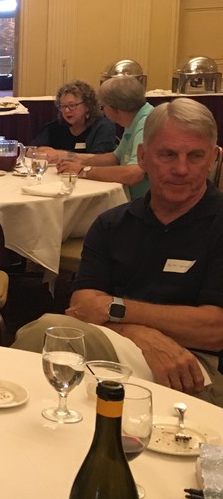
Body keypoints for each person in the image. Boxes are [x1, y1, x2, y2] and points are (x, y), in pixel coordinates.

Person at [13, 99, 223, 406]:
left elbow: (215, 329)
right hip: (121, 347)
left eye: (195, 156)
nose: (181, 169)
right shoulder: (113, 223)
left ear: (213, 159)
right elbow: (82, 304)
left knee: (45, 336)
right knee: (50, 336)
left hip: (197, 366)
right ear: (143, 157)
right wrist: (138, 333)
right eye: (167, 154)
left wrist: (116, 309)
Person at [56, 75, 152, 200]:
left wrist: (83, 171)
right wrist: (80, 163)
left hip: (146, 204)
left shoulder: (147, 123)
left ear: (113, 108)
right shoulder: (135, 120)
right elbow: (115, 157)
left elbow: (134, 174)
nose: (102, 111)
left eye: (102, 106)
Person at [30, 80, 118, 160]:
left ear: (88, 106)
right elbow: (30, 150)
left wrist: (63, 155)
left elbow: (101, 159)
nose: (66, 110)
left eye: (72, 105)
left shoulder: (103, 126)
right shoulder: (54, 127)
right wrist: (40, 151)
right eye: (63, 106)